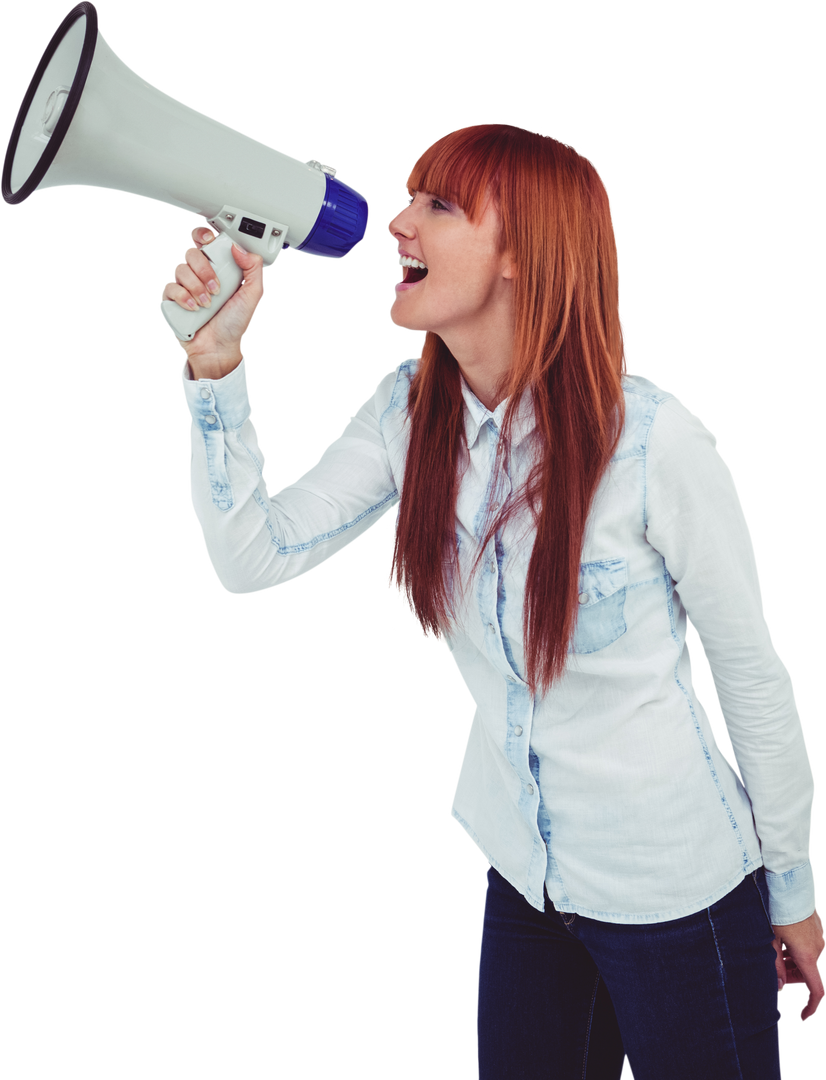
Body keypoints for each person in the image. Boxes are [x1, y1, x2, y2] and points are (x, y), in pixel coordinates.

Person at [164, 119, 823, 1078]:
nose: (396, 224)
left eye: (439, 204)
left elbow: (752, 675)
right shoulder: (408, 411)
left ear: (522, 254)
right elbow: (251, 556)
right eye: (408, 198)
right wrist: (214, 362)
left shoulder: (656, 445)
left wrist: (791, 889)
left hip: (675, 890)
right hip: (527, 875)